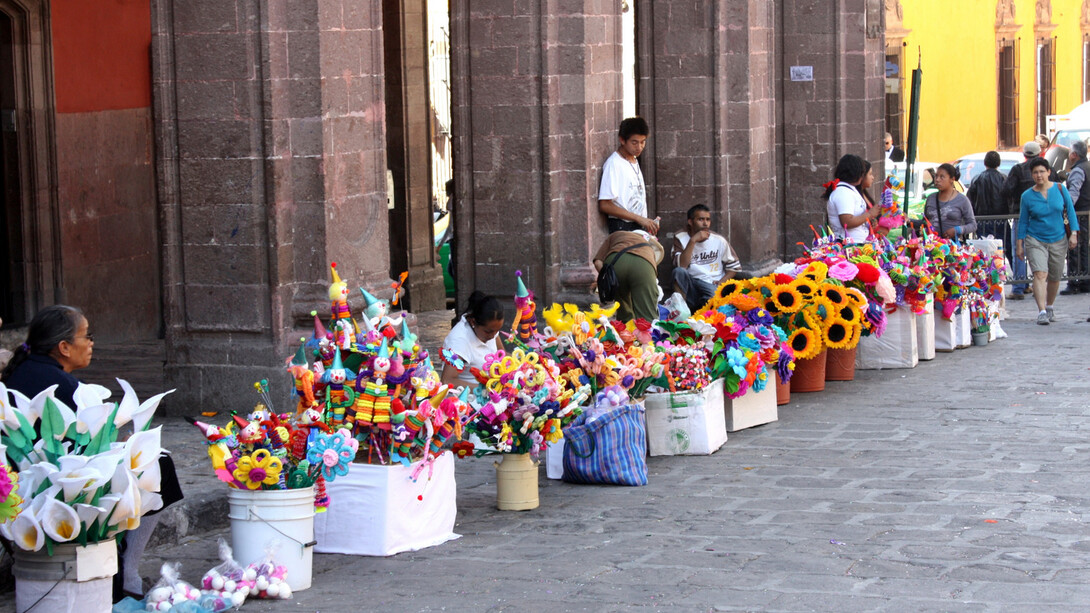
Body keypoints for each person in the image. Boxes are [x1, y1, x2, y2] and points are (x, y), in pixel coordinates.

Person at [1, 305, 182, 601]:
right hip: (45, 486)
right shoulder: (64, 385)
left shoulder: (20, 371)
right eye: (87, 336)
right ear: (63, 347)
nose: (91, 343)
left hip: (25, 482)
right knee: (160, 464)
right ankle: (127, 571)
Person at [1016, 157, 1079, 325]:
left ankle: (1050, 306)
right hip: (1035, 238)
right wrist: (1019, 244)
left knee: (1055, 276)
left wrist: (1074, 233)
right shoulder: (1027, 196)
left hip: (1058, 238)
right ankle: (1041, 311)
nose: (1039, 175)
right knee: (1040, 273)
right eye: (1035, 172)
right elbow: (1023, 221)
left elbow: (1070, 212)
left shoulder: (1060, 189)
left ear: (1049, 172)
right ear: (1032, 175)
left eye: (1042, 172)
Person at [1003, 141, 1060, 299]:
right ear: (1040, 153)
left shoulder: (1017, 170)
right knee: (1043, 252)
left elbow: (1007, 189)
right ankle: (1040, 286)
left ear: (1024, 154)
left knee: (1018, 252)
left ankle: (1020, 287)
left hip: (1021, 216)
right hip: (1045, 218)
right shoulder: (1048, 170)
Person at [671, 204, 741, 312]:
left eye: (708, 220)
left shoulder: (718, 240)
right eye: (700, 219)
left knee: (713, 301)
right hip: (691, 283)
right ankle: (682, 311)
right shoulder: (680, 237)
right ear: (690, 222)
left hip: (711, 282)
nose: (705, 223)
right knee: (678, 272)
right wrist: (693, 241)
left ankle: (703, 310)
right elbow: (682, 265)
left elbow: (734, 267)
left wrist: (721, 281)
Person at [598, 117, 658, 235]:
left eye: (643, 142)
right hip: (622, 226)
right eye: (634, 142)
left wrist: (645, 221)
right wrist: (638, 218)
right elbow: (605, 204)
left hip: (638, 226)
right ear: (622, 140)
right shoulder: (614, 164)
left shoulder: (633, 160)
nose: (639, 147)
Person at [593, 230, 663, 321]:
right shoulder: (648, 248)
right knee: (647, 318)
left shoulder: (616, 235)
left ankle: (625, 330)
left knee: (624, 315)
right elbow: (651, 280)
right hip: (643, 265)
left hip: (615, 263)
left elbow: (597, 262)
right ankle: (647, 332)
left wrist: (610, 278)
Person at [441, 291, 505, 386]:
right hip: (470, 396)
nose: (493, 336)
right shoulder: (459, 341)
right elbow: (447, 380)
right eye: (488, 332)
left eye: (497, 330)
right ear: (473, 322)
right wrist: (484, 390)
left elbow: (502, 356)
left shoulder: (491, 329)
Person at [823, 154, 880, 242]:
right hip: (849, 246)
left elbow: (856, 217)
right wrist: (870, 214)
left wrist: (867, 222)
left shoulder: (849, 189)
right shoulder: (843, 192)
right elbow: (847, 222)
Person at [1060, 140, 1090, 295]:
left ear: (1074, 155)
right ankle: (1085, 280)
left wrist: (1064, 208)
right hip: (1085, 214)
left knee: (1075, 247)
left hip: (1080, 215)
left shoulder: (1078, 170)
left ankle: (1075, 281)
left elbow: (1073, 195)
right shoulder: (1087, 166)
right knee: (1084, 248)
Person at [922, 163, 976, 239]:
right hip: (932, 246)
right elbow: (924, 222)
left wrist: (957, 230)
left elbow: (973, 225)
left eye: (942, 177)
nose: (937, 180)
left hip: (952, 247)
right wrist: (908, 220)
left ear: (952, 179)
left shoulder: (962, 200)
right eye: (936, 176)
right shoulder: (931, 198)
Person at [966, 151, 1007, 236]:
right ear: (999, 163)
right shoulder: (1003, 178)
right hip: (1001, 221)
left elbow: (969, 200)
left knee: (984, 245)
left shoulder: (977, 179)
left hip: (981, 221)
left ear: (985, 163)